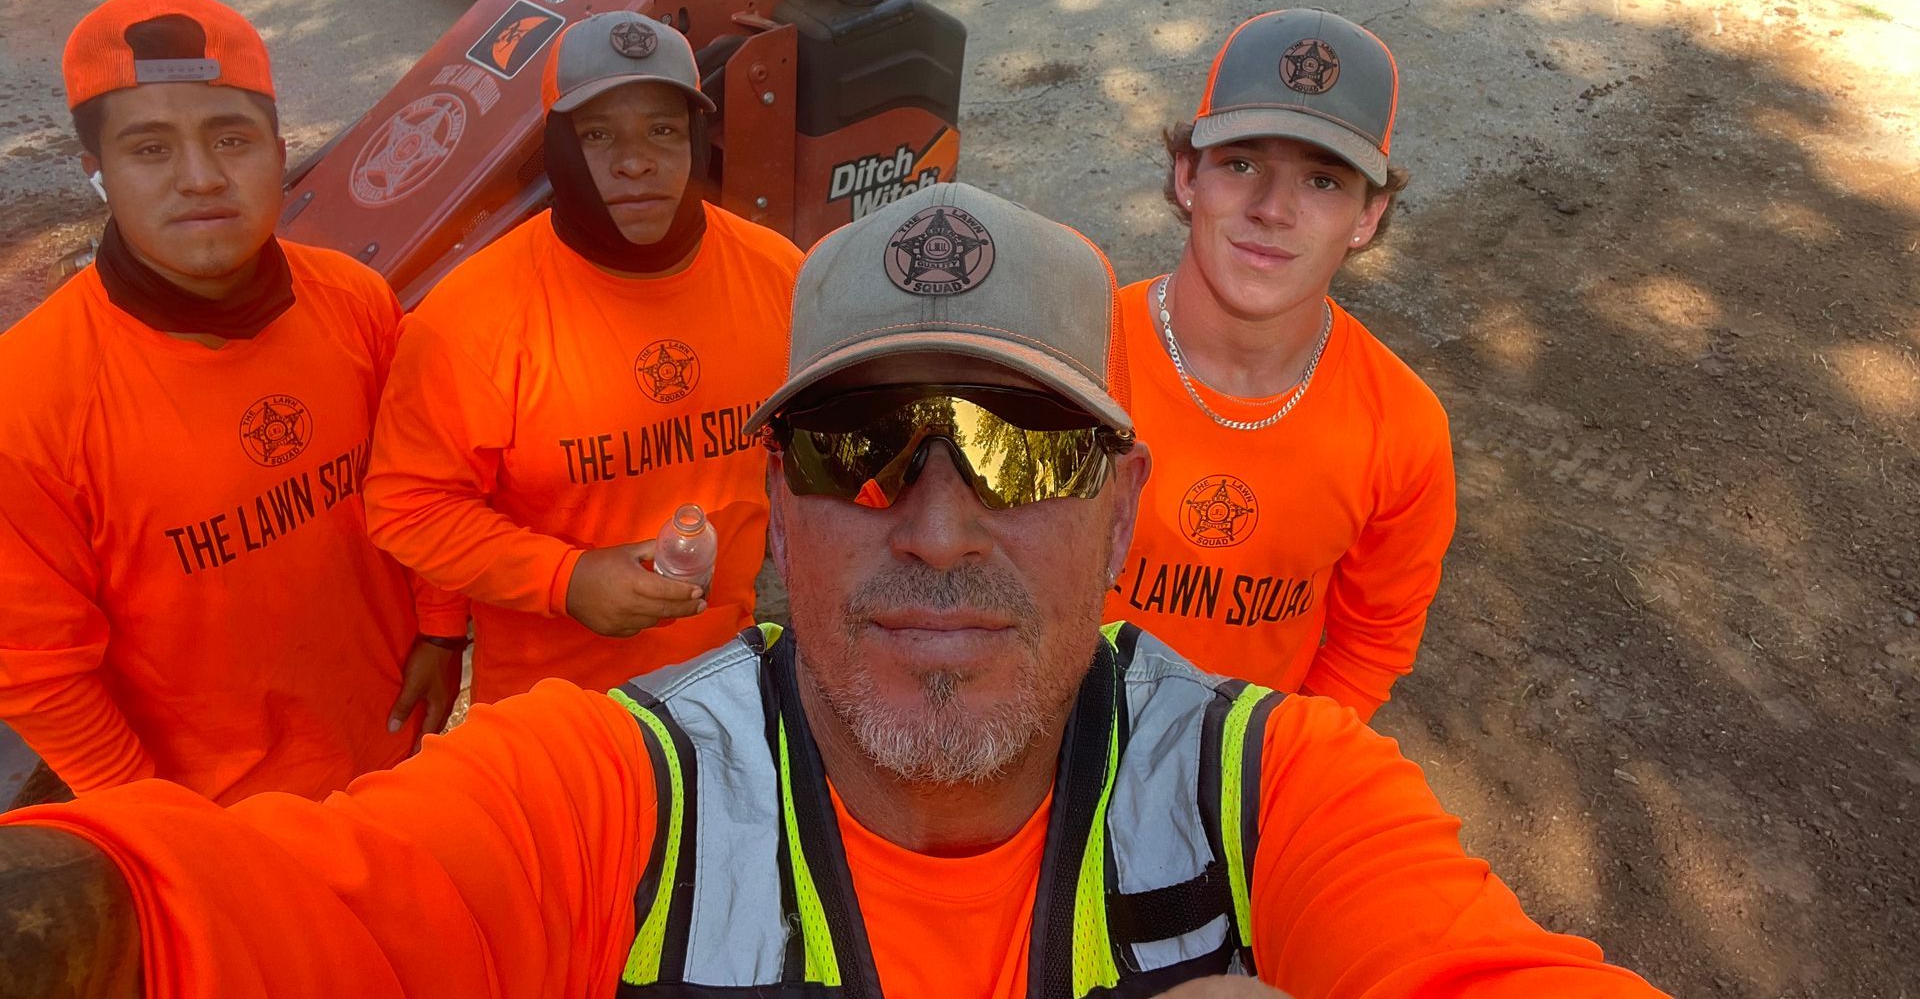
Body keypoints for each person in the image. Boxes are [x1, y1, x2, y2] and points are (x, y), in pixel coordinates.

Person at [0, 183, 1664, 999]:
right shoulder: (615, 785)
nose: (936, 526)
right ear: (774, 516)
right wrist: (83, 921)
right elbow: (306, 900)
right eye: (864, 448)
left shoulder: (1268, 788)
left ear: (1123, 507)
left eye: (1019, 446)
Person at [0, 0, 466, 806]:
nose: (202, 178)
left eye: (232, 138)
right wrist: (158, 829)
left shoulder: (355, 302)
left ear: (279, 151)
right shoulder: (28, 399)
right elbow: (39, 672)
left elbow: (425, 479)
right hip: (213, 813)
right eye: (150, 149)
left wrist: (440, 627)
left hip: (394, 748)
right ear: (96, 173)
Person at [361, 11, 803, 705]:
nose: (636, 162)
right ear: (556, 149)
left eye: (662, 129)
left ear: (695, 137)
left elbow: (822, 455)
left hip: (726, 684)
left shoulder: (777, 274)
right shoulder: (471, 313)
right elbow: (407, 505)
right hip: (551, 708)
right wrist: (564, 580)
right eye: (599, 136)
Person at [1103, 11, 1456, 722]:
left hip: (1235, 766)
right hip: (1045, 749)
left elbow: (1371, 643)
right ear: (1186, 177)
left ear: (1368, 217)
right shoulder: (1072, 354)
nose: (1273, 209)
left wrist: (1274, 766)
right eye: (1241, 164)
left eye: (1323, 182)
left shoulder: (1401, 427)